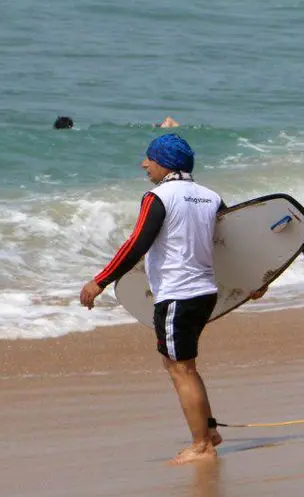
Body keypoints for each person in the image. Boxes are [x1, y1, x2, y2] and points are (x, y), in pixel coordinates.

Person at [79, 134, 245, 465]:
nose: (144, 164)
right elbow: (232, 243)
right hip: (205, 293)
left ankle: (201, 446)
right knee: (181, 365)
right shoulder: (211, 197)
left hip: (177, 294)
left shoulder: (158, 197)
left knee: (180, 368)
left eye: (149, 158)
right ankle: (208, 431)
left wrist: (100, 280)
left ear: (164, 162)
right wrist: (250, 283)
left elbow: (136, 244)